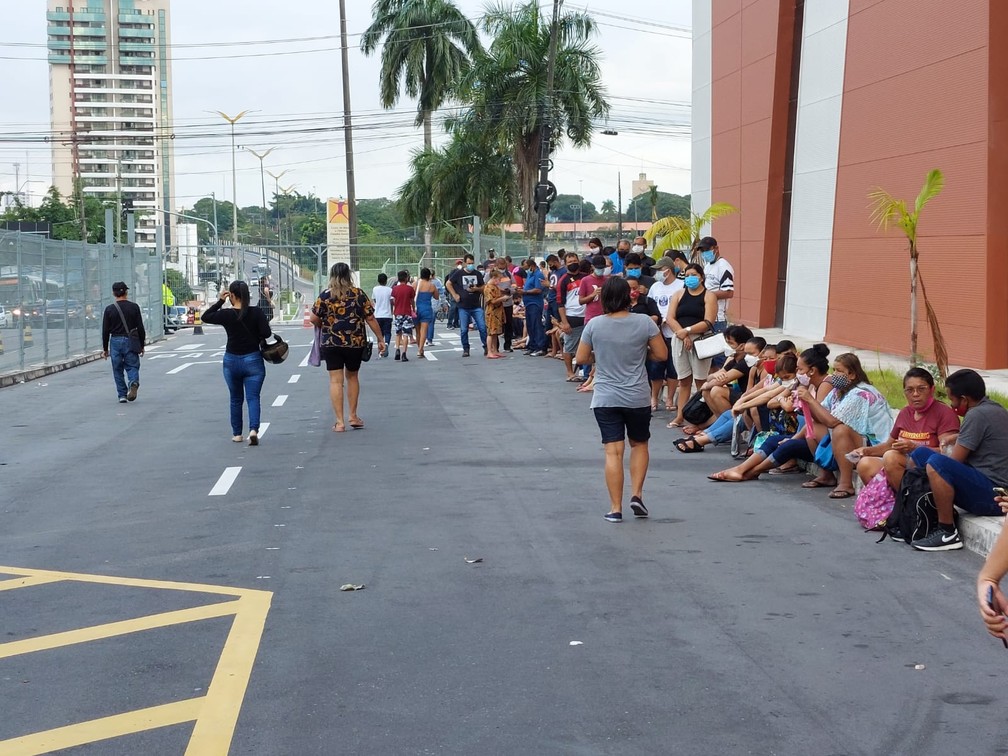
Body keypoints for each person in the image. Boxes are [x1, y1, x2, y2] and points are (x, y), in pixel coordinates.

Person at [576, 277, 668, 523]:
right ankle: (636, 495)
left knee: (613, 452)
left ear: (604, 298)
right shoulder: (645, 323)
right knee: (639, 444)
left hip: (606, 396)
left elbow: (582, 358)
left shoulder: (594, 325)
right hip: (637, 395)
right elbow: (661, 354)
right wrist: (640, 351)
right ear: (629, 297)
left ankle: (615, 508)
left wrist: (604, 354)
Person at [908, 369, 1008, 551]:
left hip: (994, 495)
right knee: (920, 454)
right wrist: (956, 438)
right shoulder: (993, 408)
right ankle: (915, 512)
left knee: (937, 465)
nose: (951, 404)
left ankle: (947, 532)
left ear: (964, 400)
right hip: (986, 483)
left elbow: (955, 461)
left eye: (952, 400)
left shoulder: (976, 415)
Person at [709, 344, 834, 481]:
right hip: (806, 435)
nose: (798, 372)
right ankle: (740, 469)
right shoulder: (807, 384)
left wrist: (794, 436)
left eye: (800, 369)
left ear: (812, 370)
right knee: (773, 440)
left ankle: (750, 472)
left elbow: (817, 420)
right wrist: (743, 403)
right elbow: (769, 395)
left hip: (821, 441)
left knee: (788, 445)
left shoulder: (825, 385)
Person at [854, 367, 961, 493]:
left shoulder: (944, 413)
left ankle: (907, 502)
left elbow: (947, 454)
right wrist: (865, 451)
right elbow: (889, 445)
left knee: (891, 457)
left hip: (928, 468)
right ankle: (892, 505)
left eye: (921, 389)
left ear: (932, 390)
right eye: (909, 390)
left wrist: (915, 448)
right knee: (865, 464)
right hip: (901, 466)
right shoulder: (905, 413)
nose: (915, 394)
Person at [309, 262, 385, 433]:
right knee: (352, 377)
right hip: (354, 343)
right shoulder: (358, 294)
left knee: (335, 380)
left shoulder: (325, 295)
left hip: (332, 343)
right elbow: (370, 318)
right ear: (349, 275)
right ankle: (353, 415)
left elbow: (313, 318)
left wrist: (326, 325)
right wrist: (380, 338)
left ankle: (339, 422)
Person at [201, 280, 271, 445]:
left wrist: (220, 301)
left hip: (231, 360)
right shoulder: (256, 312)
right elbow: (266, 333)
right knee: (253, 397)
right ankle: (253, 430)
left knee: (235, 398)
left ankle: (237, 434)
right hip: (253, 359)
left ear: (231, 295)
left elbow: (206, 317)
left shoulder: (226, 314)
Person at [665, 262, 718, 427]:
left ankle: (703, 418)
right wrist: (683, 334)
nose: (690, 278)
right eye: (687, 275)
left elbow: (708, 321)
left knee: (701, 381)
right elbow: (670, 318)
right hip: (680, 339)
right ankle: (680, 416)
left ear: (701, 277)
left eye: (694, 275)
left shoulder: (709, 296)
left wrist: (688, 331)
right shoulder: (679, 294)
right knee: (684, 380)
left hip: (700, 340)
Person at [646, 255, 687, 412]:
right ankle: (654, 397)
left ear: (667, 271)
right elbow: (650, 305)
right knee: (656, 366)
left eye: (659, 270)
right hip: (658, 333)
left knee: (673, 367)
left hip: (675, 333)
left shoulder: (681, 286)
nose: (656, 273)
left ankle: (669, 398)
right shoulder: (655, 287)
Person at [101, 281, 146, 403]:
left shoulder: (109, 309)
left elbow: (105, 330)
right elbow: (140, 327)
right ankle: (133, 382)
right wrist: (141, 345)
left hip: (115, 340)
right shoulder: (134, 307)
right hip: (130, 340)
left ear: (113, 293)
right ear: (126, 292)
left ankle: (122, 395)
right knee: (132, 365)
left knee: (117, 368)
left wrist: (105, 348)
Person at [695, 237, 734, 368]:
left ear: (716, 249)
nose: (704, 253)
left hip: (718, 319)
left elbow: (729, 292)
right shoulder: (707, 266)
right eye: (702, 251)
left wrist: (706, 295)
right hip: (706, 317)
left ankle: (723, 385)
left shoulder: (724, 266)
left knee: (719, 357)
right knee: (708, 359)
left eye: (707, 250)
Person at [446, 253, 487, 358]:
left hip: (476, 305)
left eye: (472, 263)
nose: (470, 265)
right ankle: (466, 348)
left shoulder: (477, 274)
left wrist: (476, 289)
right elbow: (448, 283)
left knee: (482, 327)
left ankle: (486, 345)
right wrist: (454, 295)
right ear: (464, 263)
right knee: (464, 329)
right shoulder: (458, 273)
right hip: (463, 306)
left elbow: (483, 287)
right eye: (468, 263)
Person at [556, 256, 588, 381]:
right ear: (565, 264)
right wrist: (564, 322)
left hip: (587, 316)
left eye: (575, 261)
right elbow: (560, 304)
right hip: (572, 317)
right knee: (569, 346)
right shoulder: (563, 280)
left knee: (587, 346)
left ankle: (585, 372)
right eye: (570, 262)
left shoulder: (586, 277)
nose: (573, 263)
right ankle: (570, 373)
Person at [521, 256, 547, 356]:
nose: (526, 269)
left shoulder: (538, 274)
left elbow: (538, 289)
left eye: (527, 267)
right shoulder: (530, 274)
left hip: (535, 303)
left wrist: (526, 291)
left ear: (532, 266)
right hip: (528, 303)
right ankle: (532, 346)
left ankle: (540, 347)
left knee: (536, 325)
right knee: (530, 325)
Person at [414, 267, 439, 359]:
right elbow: (436, 297)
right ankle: (420, 349)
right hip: (426, 308)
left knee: (417, 330)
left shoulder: (415, 284)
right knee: (424, 330)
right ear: (429, 275)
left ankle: (419, 348)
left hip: (416, 309)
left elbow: (411, 296)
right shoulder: (431, 286)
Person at [390, 270, 414, 362]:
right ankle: (404, 354)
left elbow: (393, 301)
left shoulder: (395, 289)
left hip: (397, 313)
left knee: (398, 333)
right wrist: (414, 309)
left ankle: (397, 350)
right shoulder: (410, 289)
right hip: (407, 312)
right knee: (406, 334)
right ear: (406, 278)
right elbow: (412, 301)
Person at [483, 269, 508, 359]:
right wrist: (502, 299)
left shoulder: (495, 286)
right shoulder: (488, 287)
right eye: (499, 279)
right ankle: (489, 351)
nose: (500, 281)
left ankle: (495, 350)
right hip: (492, 312)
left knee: (495, 333)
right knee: (490, 333)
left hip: (497, 312)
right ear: (494, 278)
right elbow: (492, 301)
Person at [372, 273, 393, 358]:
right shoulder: (389, 290)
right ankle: (387, 344)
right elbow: (391, 301)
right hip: (387, 314)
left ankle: (380, 350)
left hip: (377, 314)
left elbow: (374, 299)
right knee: (387, 332)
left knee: (379, 333)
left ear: (378, 280)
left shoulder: (375, 289)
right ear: (386, 281)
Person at [445, 259, 462, 329]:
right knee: (453, 307)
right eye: (459, 263)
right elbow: (450, 282)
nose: (460, 265)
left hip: (459, 291)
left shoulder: (460, 271)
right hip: (454, 291)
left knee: (457, 308)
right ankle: (449, 323)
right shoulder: (454, 272)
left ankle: (456, 323)